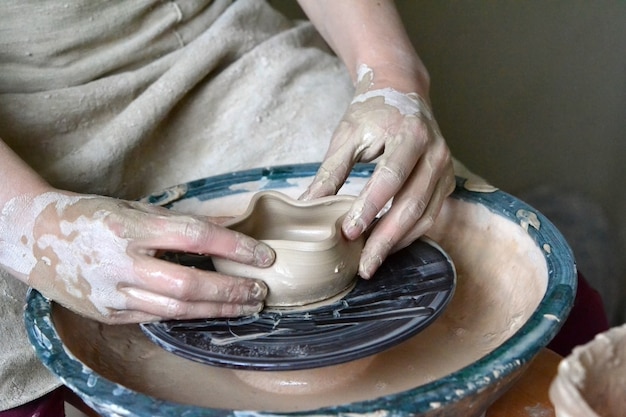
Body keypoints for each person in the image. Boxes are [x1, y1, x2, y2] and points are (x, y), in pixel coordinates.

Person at [0, 0, 454, 414]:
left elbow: (390, 84)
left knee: (422, 201)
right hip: (20, 121)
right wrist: (29, 226)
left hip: (219, 53)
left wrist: (393, 77)